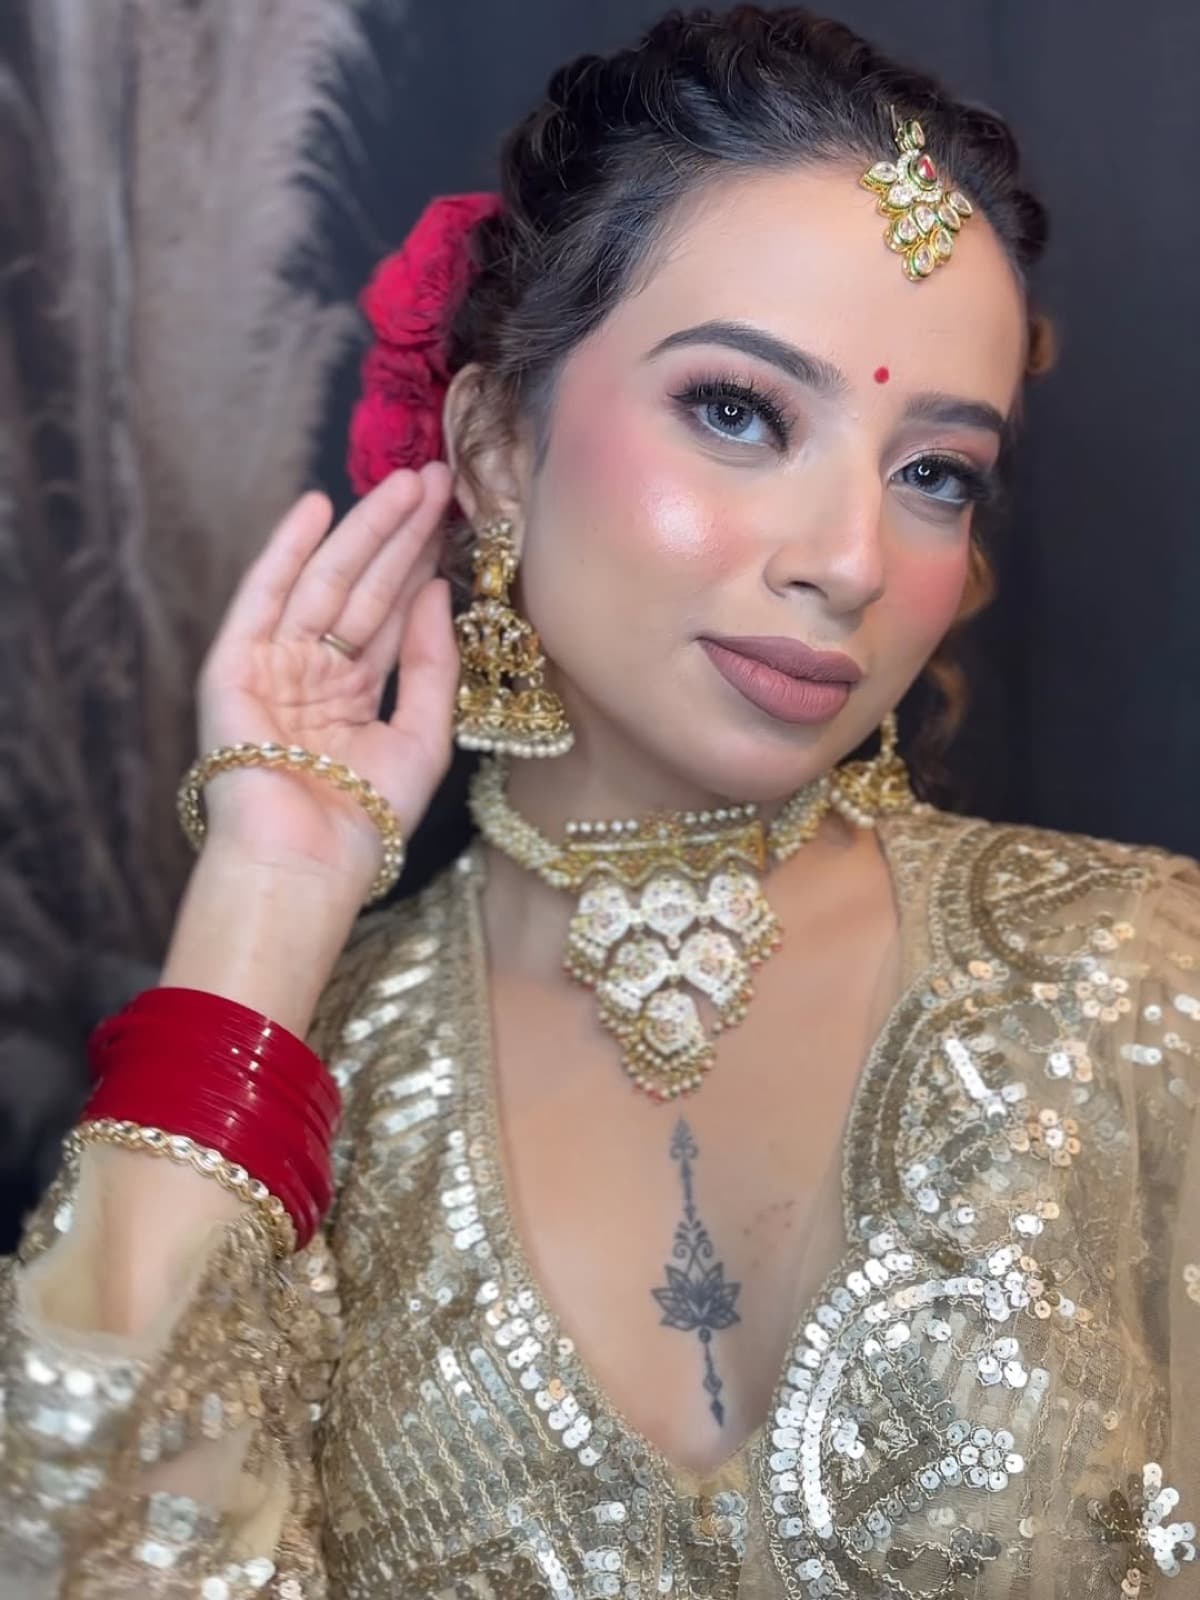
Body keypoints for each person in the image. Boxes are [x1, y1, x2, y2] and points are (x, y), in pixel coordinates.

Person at [2, 7, 1197, 1597]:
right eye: (740, 411)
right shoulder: (312, 1081)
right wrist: (268, 902)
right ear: (497, 445)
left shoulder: (1146, 984)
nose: (850, 558)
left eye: (937, 472)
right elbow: (76, 1549)